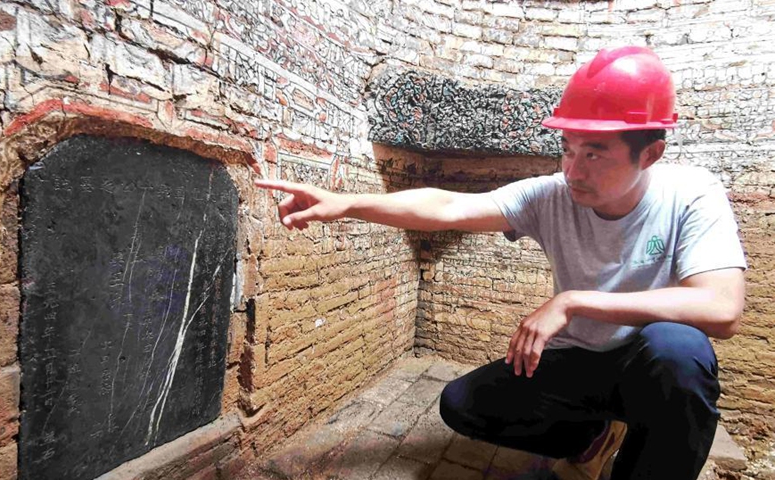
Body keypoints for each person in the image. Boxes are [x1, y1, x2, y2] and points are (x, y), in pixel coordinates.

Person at [255, 46, 746, 480]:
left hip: (646, 362)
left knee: (680, 351)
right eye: (567, 150)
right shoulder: (553, 195)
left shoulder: (692, 193)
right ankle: (591, 438)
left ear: (651, 154)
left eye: (594, 154)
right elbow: (449, 207)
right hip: (579, 361)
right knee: (462, 404)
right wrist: (346, 203)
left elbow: (721, 308)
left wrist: (572, 302)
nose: (572, 171)